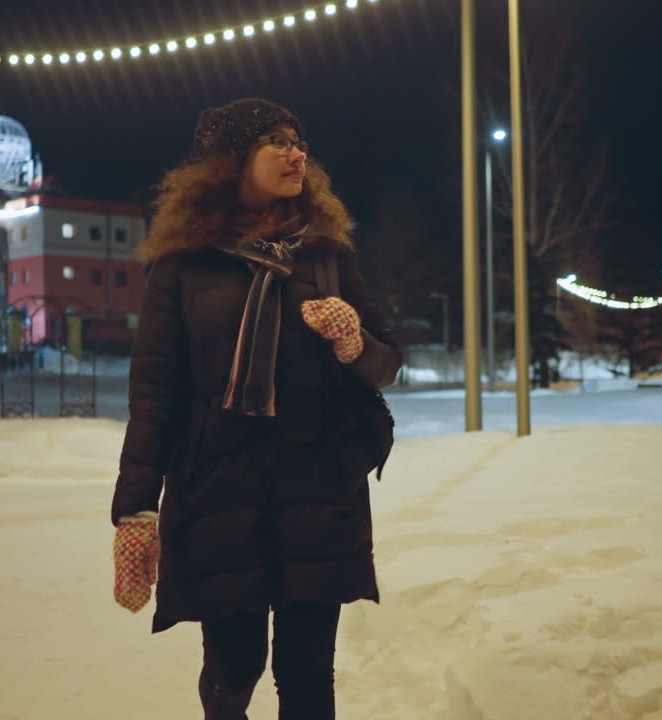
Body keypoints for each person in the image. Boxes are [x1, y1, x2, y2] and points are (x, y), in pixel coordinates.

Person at [110, 98, 402, 719]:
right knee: (233, 666)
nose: (297, 152)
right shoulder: (183, 266)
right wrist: (136, 508)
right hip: (219, 492)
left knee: (306, 675)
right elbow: (154, 394)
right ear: (231, 161)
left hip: (318, 491)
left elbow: (387, 364)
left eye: (299, 140)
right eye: (276, 140)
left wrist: (354, 342)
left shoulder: (326, 254)